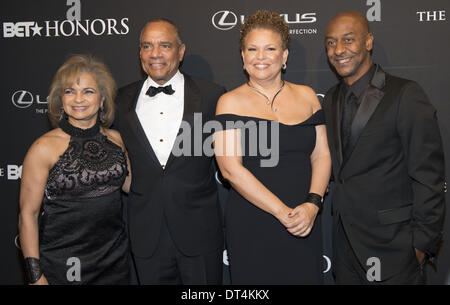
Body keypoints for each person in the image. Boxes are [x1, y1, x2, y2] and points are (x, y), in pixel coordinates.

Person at [323, 11, 445, 284]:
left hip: (394, 249)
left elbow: (429, 177)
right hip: (344, 250)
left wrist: (420, 247)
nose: (339, 49)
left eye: (348, 40)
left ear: (368, 42)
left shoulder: (405, 94)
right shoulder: (330, 99)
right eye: (331, 42)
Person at [214, 10, 331, 284]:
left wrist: (313, 205)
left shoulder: (307, 96)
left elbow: (322, 154)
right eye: (252, 49)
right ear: (243, 56)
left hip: (305, 220)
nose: (260, 57)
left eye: (270, 48)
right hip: (253, 222)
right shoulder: (229, 102)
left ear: (285, 55)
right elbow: (230, 169)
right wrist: (283, 212)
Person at [114, 18, 225, 284]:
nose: (155, 54)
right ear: (139, 52)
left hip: (199, 231)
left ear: (181, 51)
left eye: (165, 45)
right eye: (147, 46)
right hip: (146, 235)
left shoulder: (213, 96)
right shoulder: (119, 100)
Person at [18, 54, 132, 285]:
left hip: (114, 261)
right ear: (61, 99)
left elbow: (134, 187)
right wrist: (34, 276)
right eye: (70, 91)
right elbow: (27, 215)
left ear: (102, 100)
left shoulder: (118, 140)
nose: (78, 98)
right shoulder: (43, 148)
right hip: (63, 263)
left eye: (88, 91)